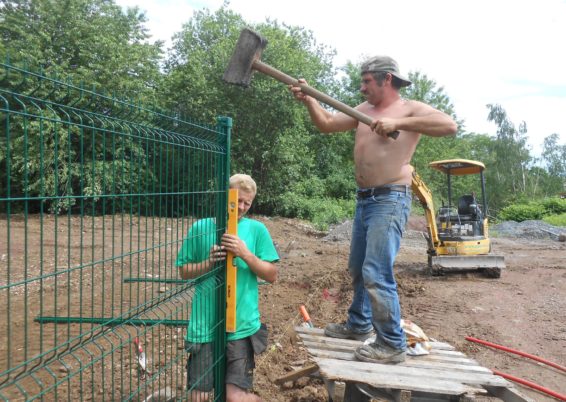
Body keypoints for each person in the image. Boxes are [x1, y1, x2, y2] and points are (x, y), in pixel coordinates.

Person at [289, 55, 457, 364]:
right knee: (358, 268)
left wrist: (399, 123)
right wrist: (310, 99)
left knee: (376, 271)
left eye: (367, 81)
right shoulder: (363, 111)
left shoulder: (408, 109)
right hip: (365, 198)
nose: (361, 87)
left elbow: (449, 125)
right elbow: (326, 123)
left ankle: (392, 343)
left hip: (391, 198)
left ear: (387, 79)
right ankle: (358, 324)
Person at [176, 174, 279, 401]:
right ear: (225, 196)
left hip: (241, 326)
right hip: (204, 326)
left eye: (247, 203)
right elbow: (184, 271)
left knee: (235, 397)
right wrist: (209, 263)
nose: (241, 207)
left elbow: (272, 274)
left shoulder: (256, 230)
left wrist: (245, 254)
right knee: (199, 397)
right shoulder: (201, 228)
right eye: (237, 201)